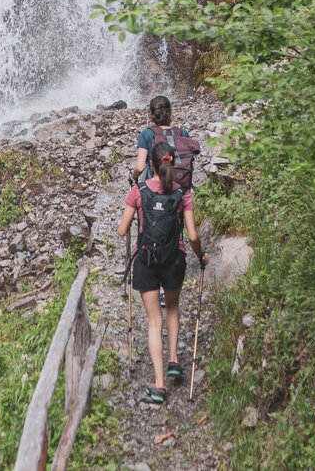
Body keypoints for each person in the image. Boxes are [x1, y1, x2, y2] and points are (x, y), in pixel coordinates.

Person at [118, 141, 208, 403]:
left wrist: (136, 218)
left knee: (153, 321)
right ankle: (174, 360)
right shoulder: (183, 194)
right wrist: (201, 256)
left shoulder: (139, 190)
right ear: (171, 163)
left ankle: (159, 385)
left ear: (151, 165)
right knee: (172, 308)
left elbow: (122, 230)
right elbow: (192, 235)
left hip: (146, 260)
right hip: (174, 260)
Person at [133, 95, 190, 185]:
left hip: (154, 187)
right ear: (170, 112)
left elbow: (140, 167)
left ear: (152, 114)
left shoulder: (146, 134)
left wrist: (133, 177)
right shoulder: (183, 133)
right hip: (179, 185)